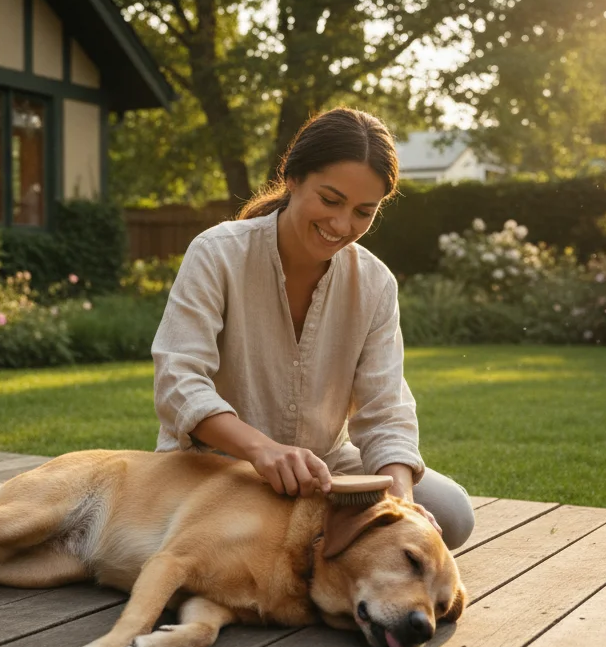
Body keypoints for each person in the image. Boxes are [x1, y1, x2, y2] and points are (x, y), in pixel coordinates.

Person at [150, 107, 475, 549]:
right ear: (292, 178)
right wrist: (263, 450)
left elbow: (384, 410)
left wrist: (398, 508)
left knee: (450, 516)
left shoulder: (375, 284)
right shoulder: (217, 253)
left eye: (364, 211)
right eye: (330, 200)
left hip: (324, 467)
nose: (342, 226)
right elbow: (178, 382)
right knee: (254, 537)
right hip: (218, 463)